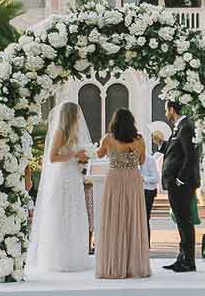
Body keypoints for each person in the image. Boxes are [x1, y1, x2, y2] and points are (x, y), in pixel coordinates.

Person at [27, 102, 94, 274]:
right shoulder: (59, 132)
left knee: (74, 213)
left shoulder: (75, 134)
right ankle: (58, 258)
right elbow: (52, 157)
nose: (79, 117)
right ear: (71, 115)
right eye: (77, 114)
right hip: (62, 177)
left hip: (73, 177)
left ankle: (74, 257)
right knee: (61, 214)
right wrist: (74, 155)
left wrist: (82, 159)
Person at [93, 109, 152, 280]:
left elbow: (99, 154)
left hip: (115, 180)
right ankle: (134, 265)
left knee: (115, 219)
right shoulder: (139, 139)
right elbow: (142, 160)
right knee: (133, 218)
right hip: (133, 179)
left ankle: (115, 265)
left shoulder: (108, 138)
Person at [160, 101, 200, 272]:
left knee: (185, 221)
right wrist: (161, 144)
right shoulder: (179, 127)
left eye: (166, 110)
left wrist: (180, 179)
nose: (166, 113)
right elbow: (174, 151)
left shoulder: (186, 127)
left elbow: (190, 156)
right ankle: (182, 257)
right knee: (181, 221)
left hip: (182, 184)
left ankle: (189, 261)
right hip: (175, 183)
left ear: (172, 109)